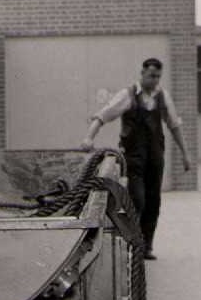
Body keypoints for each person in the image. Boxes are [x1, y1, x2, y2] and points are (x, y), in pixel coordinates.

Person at [81, 57, 191, 260]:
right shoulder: (128, 95)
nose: (154, 80)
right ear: (142, 74)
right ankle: (134, 243)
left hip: (155, 157)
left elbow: (174, 126)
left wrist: (185, 155)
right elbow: (102, 116)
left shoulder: (163, 97)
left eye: (158, 77)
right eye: (151, 76)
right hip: (133, 158)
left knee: (153, 202)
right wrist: (88, 138)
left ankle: (146, 247)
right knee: (137, 200)